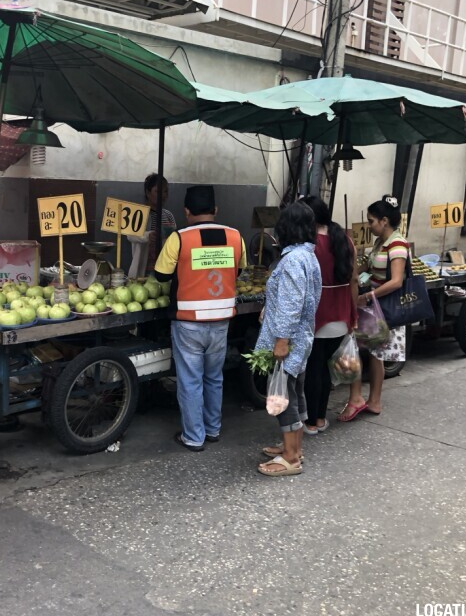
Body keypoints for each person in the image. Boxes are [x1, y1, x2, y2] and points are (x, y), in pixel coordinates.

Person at [153, 185, 247, 451]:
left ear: (186, 211)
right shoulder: (235, 236)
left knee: (190, 380)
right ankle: (213, 429)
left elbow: (160, 275)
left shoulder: (179, 238)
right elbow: (239, 271)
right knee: (214, 377)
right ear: (215, 210)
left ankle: (194, 437)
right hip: (221, 322)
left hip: (188, 322)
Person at [256, 202, 321, 476]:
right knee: (295, 392)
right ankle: (293, 447)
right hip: (302, 336)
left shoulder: (293, 260)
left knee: (283, 396)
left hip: (289, 339)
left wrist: (281, 340)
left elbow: (292, 303)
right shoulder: (307, 255)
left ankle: (291, 457)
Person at [338, 195, 408, 422]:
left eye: (371, 221)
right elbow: (365, 267)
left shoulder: (397, 244)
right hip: (374, 304)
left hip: (384, 304)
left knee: (375, 352)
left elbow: (396, 281)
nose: (369, 225)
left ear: (384, 220)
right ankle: (372, 401)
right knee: (372, 352)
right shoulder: (381, 243)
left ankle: (373, 400)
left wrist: (368, 295)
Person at [299, 196, 358, 435]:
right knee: (324, 369)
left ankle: (312, 421)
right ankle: (321, 417)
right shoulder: (344, 239)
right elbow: (354, 279)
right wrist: (353, 314)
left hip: (317, 313)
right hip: (341, 311)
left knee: (314, 369)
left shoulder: (308, 244)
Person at [128, 173, 177, 278]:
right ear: (148, 192)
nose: (163, 195)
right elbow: (130, 235)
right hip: (144, 271)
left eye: (165, 191)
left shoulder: (168, 215)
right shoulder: (140, 214)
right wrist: (147, 236)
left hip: (165, 269)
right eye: (158, 191)